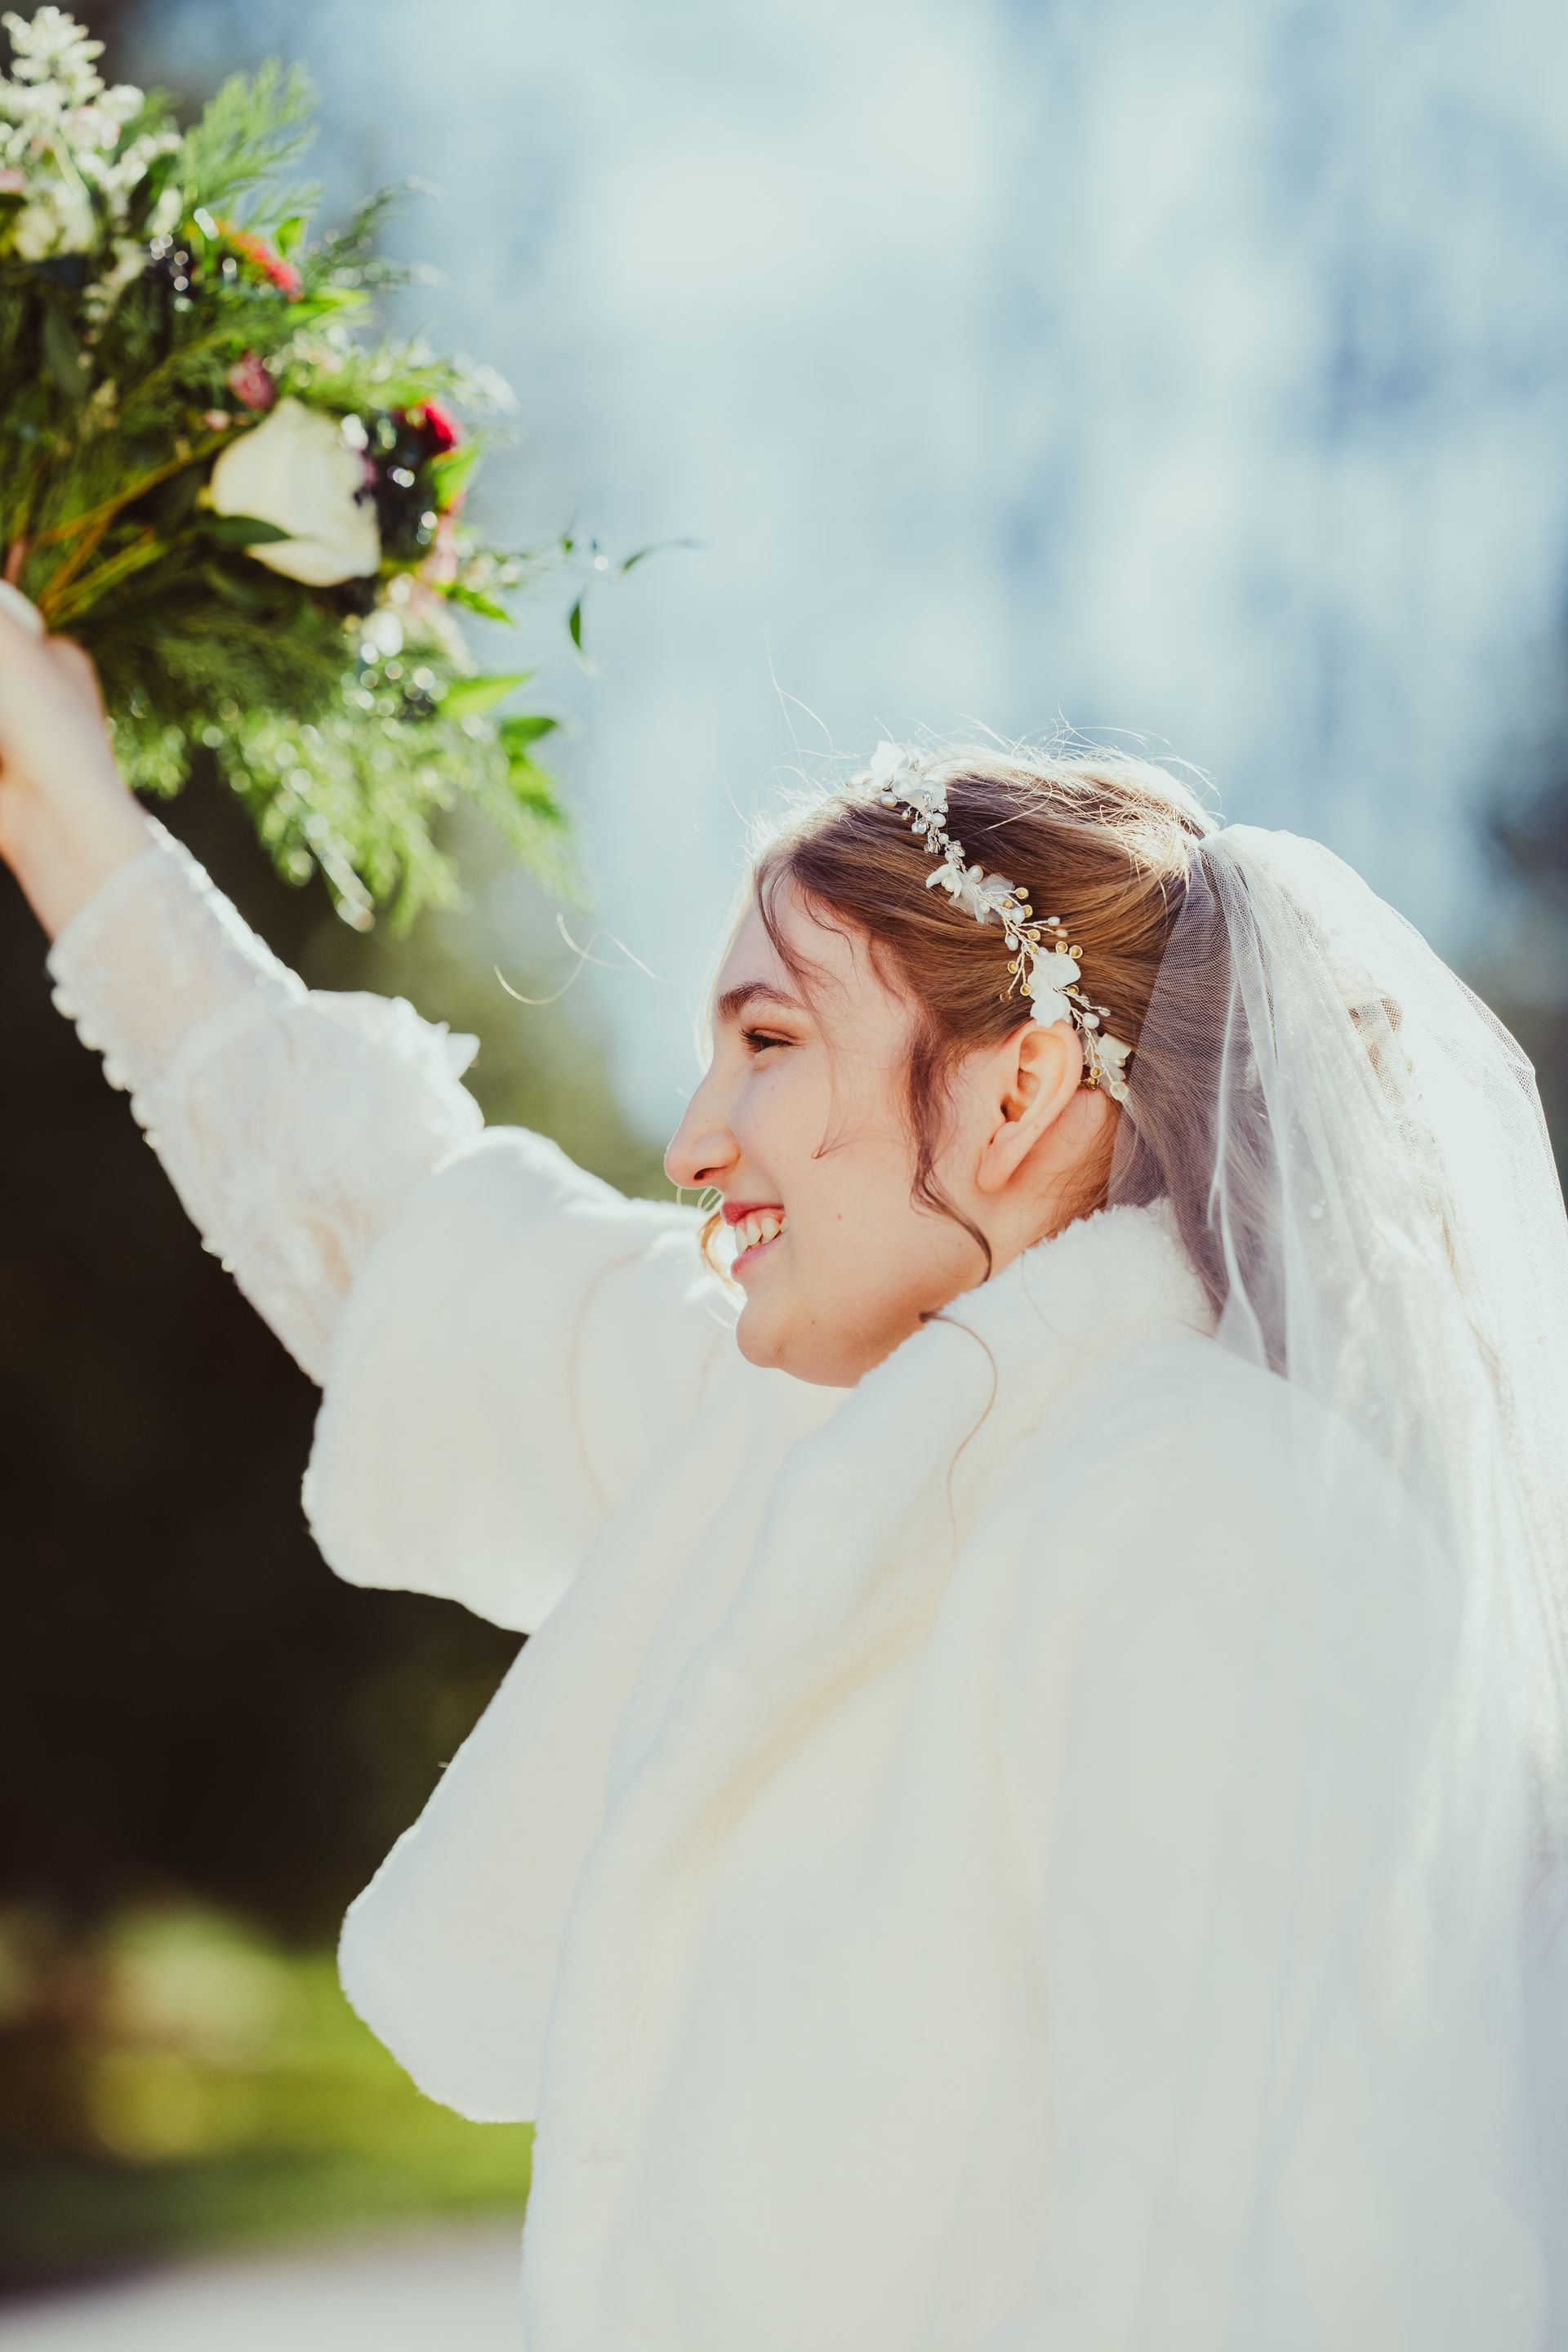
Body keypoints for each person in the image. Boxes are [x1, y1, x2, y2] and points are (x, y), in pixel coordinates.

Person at [2, 594, 1567, 2350]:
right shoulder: (827, 1450)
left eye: (765, 1043)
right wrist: (61, 799)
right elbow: (405, 1246)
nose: (688, 1143)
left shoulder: (1218, 1519)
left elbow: (1304, 2272)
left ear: (1016, 1086)